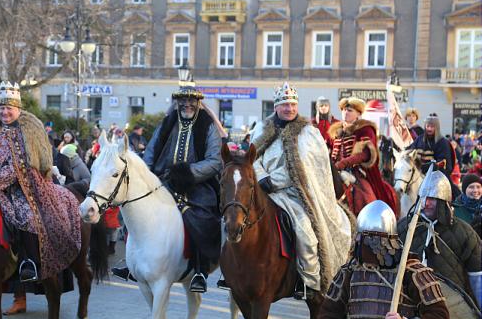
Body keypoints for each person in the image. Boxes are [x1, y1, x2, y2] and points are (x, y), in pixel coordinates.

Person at [113, 74, 223, 293]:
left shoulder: (208, 125)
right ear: (177, 101)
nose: (187, 103)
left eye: (191, 99)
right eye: (183, 99)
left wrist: (187, 173)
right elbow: (151, 152)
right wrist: (147, 175)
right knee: (132, 212)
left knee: (199, 217)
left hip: (196, 185)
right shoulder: (167, 122)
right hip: (163, 181)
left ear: (198, 101)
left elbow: (214, 161)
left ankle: (199, 270)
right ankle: (132, 264)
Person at [0, 81, 82, 284]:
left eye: (9, 109)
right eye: (2, 108)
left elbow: (21, 165)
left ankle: (29, 262)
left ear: (17, 109)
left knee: (27, 216)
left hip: (24, 185)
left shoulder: (28, 130)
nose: (5, 112)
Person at [250, 82, 352, 299]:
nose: (289, 108)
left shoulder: (309, 133)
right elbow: (252, 158)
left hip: (295, 195)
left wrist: (274, 181)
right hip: (262, 191)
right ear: (276, 107)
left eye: (293, 104)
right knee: (233, 220)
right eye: (285, 104)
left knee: (306, 233)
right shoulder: (260, 129)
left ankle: (310, 283)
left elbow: (304, 168)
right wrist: (262, 178)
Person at [317, 200, 450, 319]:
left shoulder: (412, 272)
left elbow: (440, 318)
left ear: (378, 241)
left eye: (363, 237)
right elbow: (329, 315)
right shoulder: (349, 272)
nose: (357, 242)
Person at [398, 169, 482, 318]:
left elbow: (477, 278)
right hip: (410, 303)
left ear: (443, 201)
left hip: (452, 305)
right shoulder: (404, 228)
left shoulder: (464, 232)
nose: (426, 203)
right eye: (423, 197)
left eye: (432, 198)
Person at [329, 97, 398, 216]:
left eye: (350, 111)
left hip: (356, 172)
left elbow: (365, 154)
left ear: (358, 114)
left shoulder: (365, 129)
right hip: (334, 170)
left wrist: (343, 163)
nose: (346, 113)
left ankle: (370, 220)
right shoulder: (337, 131)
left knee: (366, 196)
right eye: (344, 110)